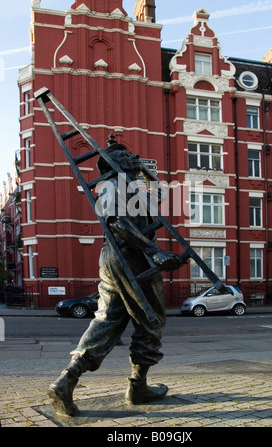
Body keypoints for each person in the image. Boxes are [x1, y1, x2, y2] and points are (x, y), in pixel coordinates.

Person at [48, 135, 185, 417]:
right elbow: (117, 222)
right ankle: (138, 386)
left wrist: (146, 172)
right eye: (127, 156)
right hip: (130, 258)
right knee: (152, 321)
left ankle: (67, 380)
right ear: (113, 163)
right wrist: (155, 251)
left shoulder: (130, 186)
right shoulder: (111, 185)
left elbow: (160, 197)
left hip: (116, 259)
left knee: (108, 321)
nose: (134, 157)